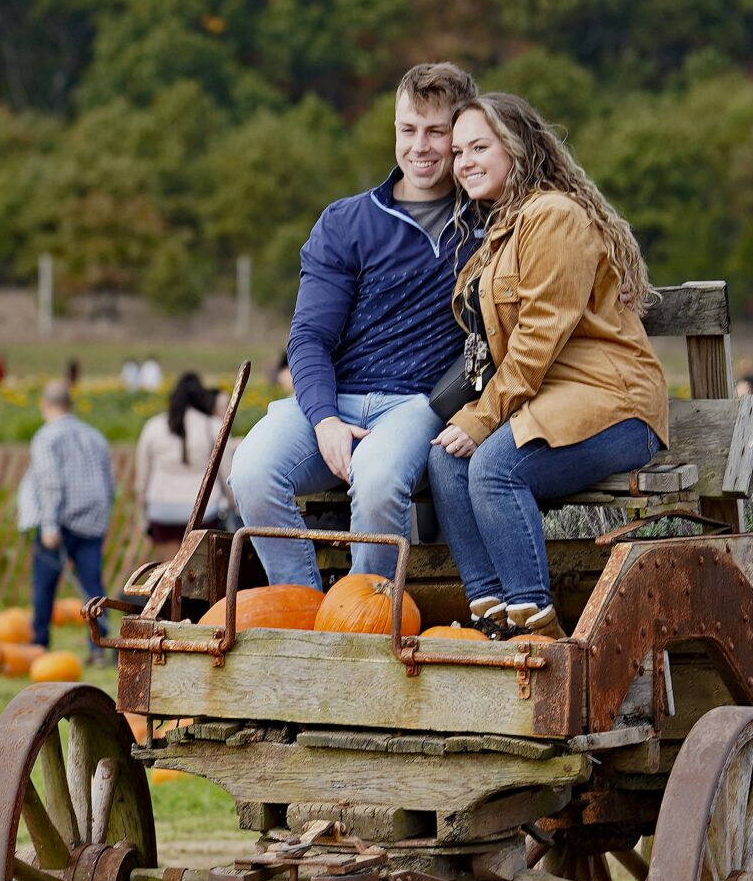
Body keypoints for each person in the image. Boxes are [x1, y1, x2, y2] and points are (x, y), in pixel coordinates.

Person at [426, 92, 667, 640]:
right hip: (551, 402)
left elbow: (537, 339)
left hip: (614, 405)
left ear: (517, 147)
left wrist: (482, 417)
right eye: (458, 151)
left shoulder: (555, 218)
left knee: (493, 467)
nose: (464, 162)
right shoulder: (504, 228)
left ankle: (537, 629)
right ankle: (492, 619)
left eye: (479, 147)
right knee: (445, 462)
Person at [228, 62, 478, 587]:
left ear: (460, 134)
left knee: (379, 481)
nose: (420, 146)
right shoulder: (346, 222)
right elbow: (309, 338)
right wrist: (323, 420)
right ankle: (301, 608)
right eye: (408, 129)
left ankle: (367, 615)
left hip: (417, 405)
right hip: (334, 399)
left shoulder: (489, 224)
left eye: (436, 132)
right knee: (251, 471)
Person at [19, 380, 113, 650]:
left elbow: (51, 482)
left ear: (45, 405)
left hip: (60, 523)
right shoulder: (94, 436)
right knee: (92, 588)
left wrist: (49, 525)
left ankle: (40, 643)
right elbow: (109, 482)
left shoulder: (46, 437)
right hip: (92, 522)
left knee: (44, 586)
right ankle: (100, 645)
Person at [137, 372, 236, 543]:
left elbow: (142, 477)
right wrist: (233, 506)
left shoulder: (153, 426)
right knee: (200, 560)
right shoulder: (212, 426)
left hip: (161, 510)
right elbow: (227, 474)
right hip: (204, 514)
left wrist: (142, 513)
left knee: (168, 560)